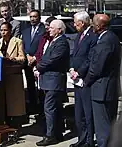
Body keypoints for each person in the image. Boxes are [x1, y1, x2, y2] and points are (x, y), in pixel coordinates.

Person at [84, 14, 121, 147]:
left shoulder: (106, 40)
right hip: (109, 89)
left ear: (99, 26)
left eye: (93, 23)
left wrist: (86, 81)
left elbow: (97, 67)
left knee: (102, 128)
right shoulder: (112, 38)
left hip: (102, 90)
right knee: (109, 125)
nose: (91, 26)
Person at [35, 19, 70, 146]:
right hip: (48, 80)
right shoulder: (53, 41)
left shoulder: (61, 43)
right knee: (55, 108)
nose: (49, 29)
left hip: (54, 81)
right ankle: (57, 134)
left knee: (49, 108)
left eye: (52, 27)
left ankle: (50, 136)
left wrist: (38, 67)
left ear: (59, 30)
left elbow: (52, 59)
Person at [69, 11, 97, 147]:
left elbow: (89, 58)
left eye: (75, 22)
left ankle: (89, 141)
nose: (74, 25)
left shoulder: (92, 37)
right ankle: (81, 139)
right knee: (78, 113)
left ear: (82, 23)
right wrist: (71, 68)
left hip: (86, 79)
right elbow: (74, 55)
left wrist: (79, 72)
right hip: (76, 79)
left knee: (87, 113)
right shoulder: (78, 36)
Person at [0, 22, 26, 129]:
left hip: (13, 75)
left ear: (10, 30)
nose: (3, 32)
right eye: (1, 30)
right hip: (2, 77)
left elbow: (22, 58)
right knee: (4, 102)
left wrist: (13, 59)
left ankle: (16, 125)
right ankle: (5, 123)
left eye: (5, 30)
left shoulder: (18, 42)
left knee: (14, 103)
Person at [21, 10, 45, 114]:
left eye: (35, 17)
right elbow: (24, 45)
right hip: (28, 62)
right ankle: (33, 106)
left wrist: (35, 57)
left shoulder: (44, 30)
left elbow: (43, 45)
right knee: (30, 85)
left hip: (39, 61)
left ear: (39, 18)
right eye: (31, 17)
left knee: (40, 86)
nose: (32, 19)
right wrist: (27, 55)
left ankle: (42, 108)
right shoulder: (26, 31)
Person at [33, 16, 57, 118]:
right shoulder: (44, 37)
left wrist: (39, 67)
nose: (46, 28)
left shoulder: (57, 40)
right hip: (40, 70)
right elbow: (39, 52)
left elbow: (51, 59)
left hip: (50, 75)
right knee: (41, 97)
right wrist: (36, 65)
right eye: (46, 25)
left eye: (49, 25)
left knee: (51, 103)